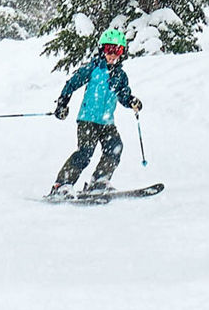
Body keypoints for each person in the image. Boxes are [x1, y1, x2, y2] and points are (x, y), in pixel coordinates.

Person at [50, 28, 145, 197]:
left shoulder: (120, 76)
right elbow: (72, 84)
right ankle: (62, 184)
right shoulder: (93, 69)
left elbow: (123, 95)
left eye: (118, 50)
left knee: (115, 147)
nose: (113, 55)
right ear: (102, 50)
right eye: (110, 50)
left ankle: (99, 181)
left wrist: (132, 101)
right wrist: (63, 103)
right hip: (88, 119)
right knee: (85, 152)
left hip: (107, 122)